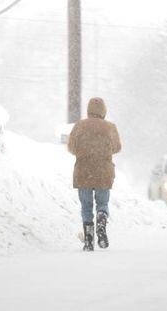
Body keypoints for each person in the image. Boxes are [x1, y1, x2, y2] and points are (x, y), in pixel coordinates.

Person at [68, 97, 121, 251]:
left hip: (83, 172)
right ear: (104, 111)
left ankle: (89, 240)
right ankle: (101, 221)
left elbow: (71, 147)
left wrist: (85, 150)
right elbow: (117, 147)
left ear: (88, 109)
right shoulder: (110, 127)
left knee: (86, 206)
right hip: (104, 171)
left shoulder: (79, 126)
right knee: (102, 203)